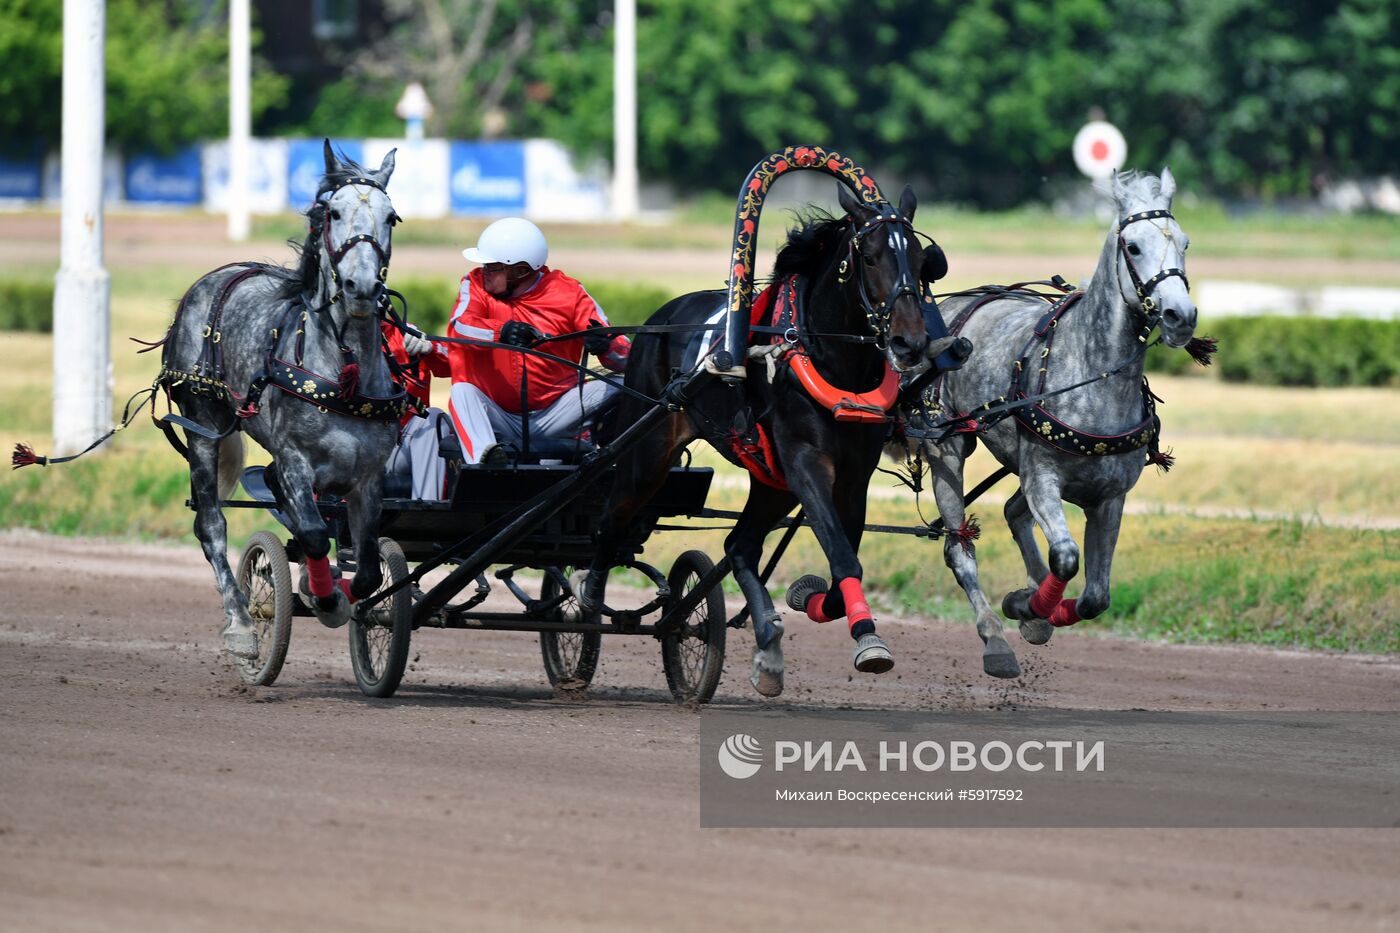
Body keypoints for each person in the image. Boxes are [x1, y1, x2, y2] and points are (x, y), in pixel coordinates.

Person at [445, 217, 629, 464]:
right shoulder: (475, 283)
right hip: (498, 415)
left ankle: (621, 464)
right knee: (462, 391)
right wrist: (503, 332)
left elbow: (626, 356)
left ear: (520, 270)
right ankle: (485, 463)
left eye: (493, 266)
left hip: (556, 414)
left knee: (626, 384)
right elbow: (460, 327)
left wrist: (607, 346)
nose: (484, 271)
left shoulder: (570, 293)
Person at [382, 322, 452, 499]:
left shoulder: (405, 333)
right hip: (356, 447)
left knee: (435, 417)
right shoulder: (332, 337)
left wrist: (432, 349)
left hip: (398, 443)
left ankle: (426, 507)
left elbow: (454, 364)